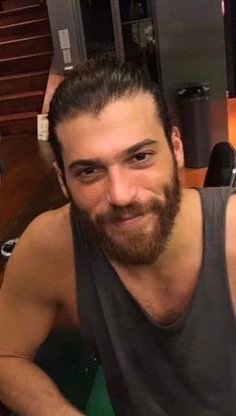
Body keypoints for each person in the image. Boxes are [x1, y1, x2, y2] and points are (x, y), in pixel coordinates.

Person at [0, 58, 235, 416]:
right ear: (62, 180)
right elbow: (6, 355)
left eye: (140, 157)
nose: (121, 195)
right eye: (89, 171)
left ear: (176, 149)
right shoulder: (52, 246)